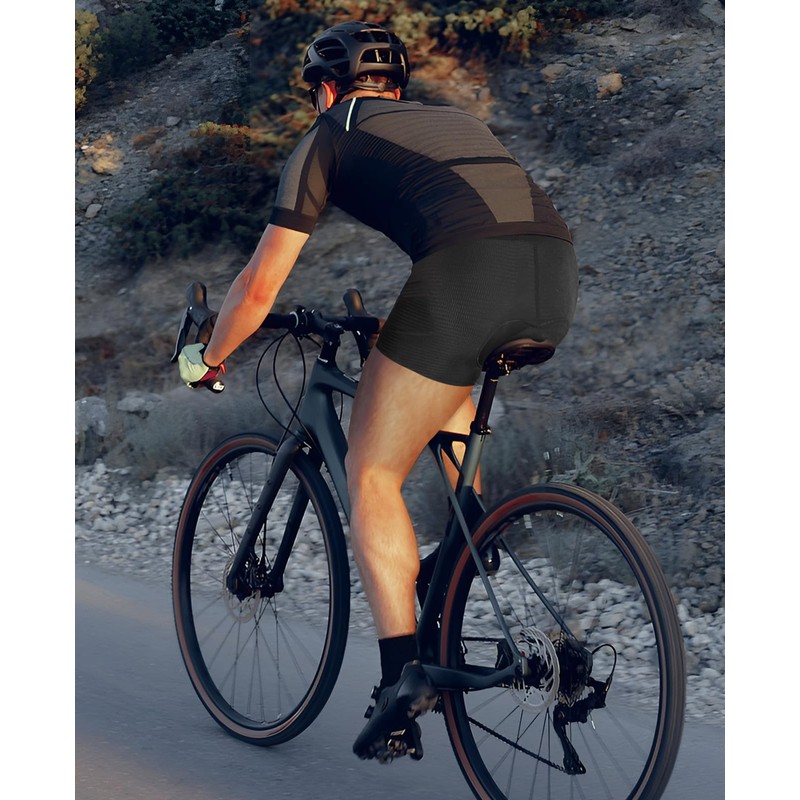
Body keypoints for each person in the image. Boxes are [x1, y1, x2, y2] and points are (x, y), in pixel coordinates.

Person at [178, 20, 578, 763]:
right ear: (395, 87)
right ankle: (465, 552)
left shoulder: (330, 135)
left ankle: (402, 682)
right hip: (552, 274)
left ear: (327, 89)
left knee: (369, 472)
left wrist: (209, 355)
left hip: (468, 276)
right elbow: (471, 221)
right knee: (436, 373)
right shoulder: (451, 121)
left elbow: (260, 285)